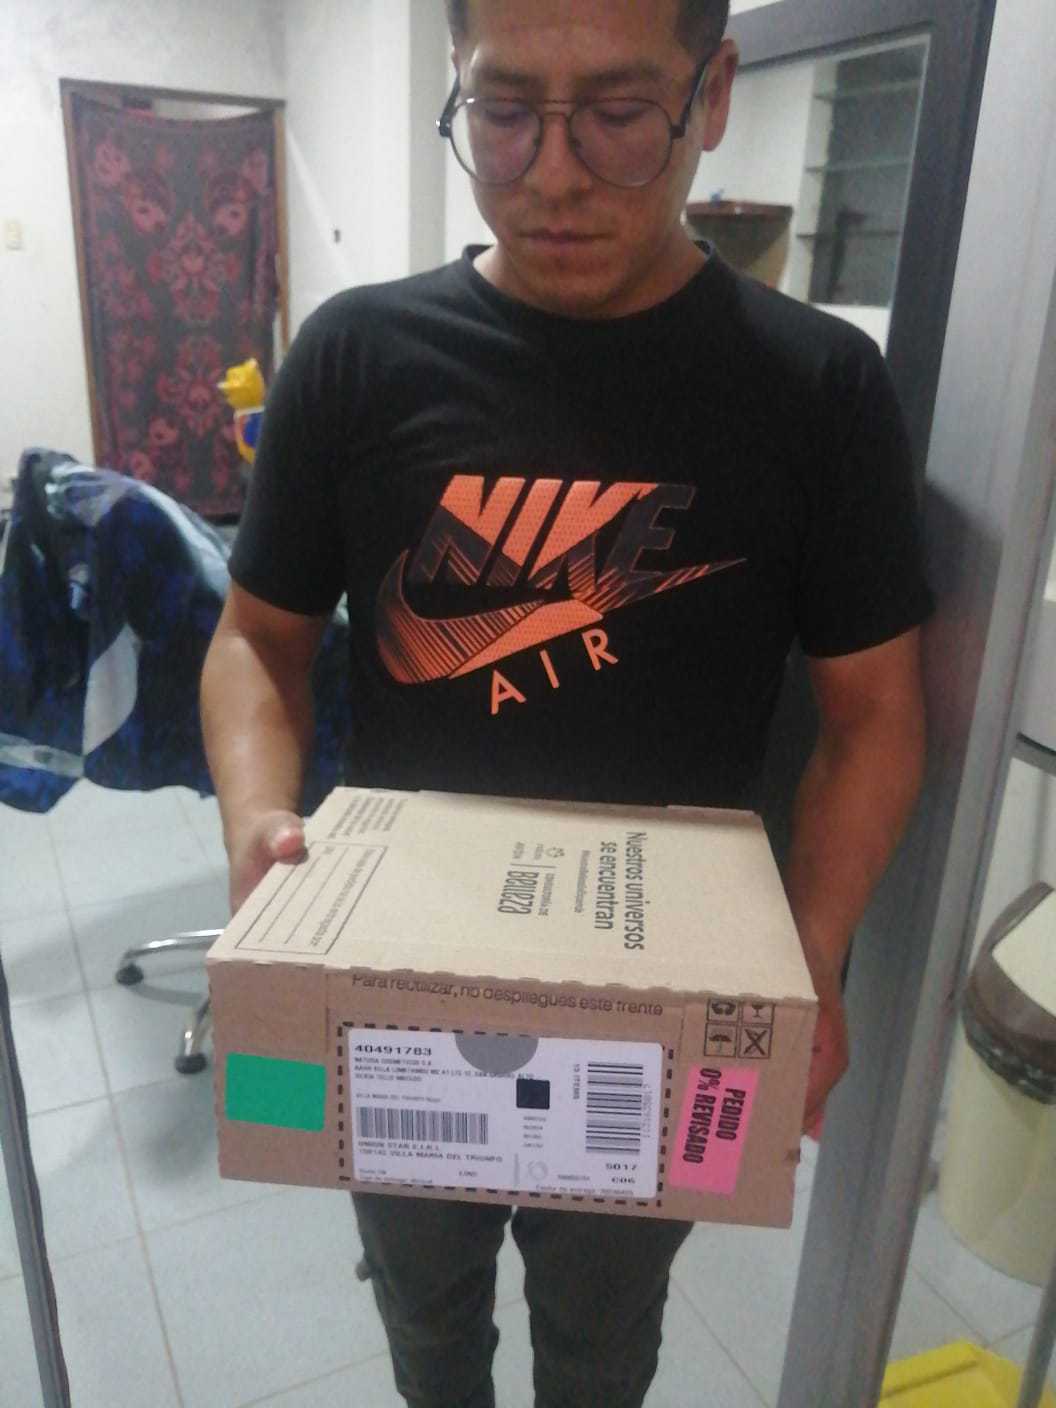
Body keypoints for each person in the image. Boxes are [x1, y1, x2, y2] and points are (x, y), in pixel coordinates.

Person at [200, 1, 932, 1404]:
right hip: (402, 984)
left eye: (616, 114)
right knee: (425, 1317)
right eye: (503, 112)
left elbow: (874, 713)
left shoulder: (818, 386)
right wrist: (255, 819)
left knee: (602, 1337)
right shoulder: (356, 357)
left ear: (712, 94)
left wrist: (815, 953)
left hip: (661, 1003)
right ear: (459, 88)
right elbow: (258, 639)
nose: (551, 173)